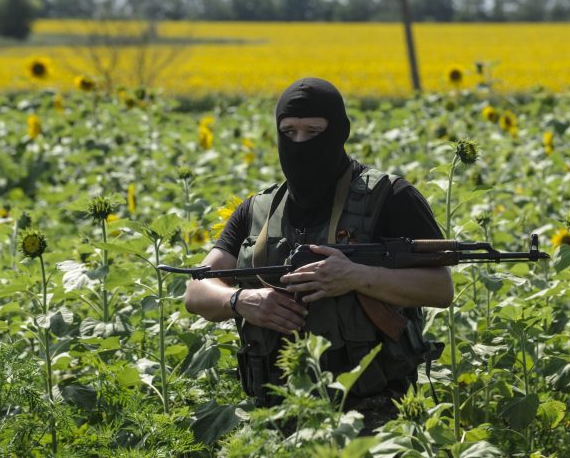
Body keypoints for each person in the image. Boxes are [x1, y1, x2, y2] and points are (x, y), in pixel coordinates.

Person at [184, 77, 453, 430]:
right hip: (276, 414)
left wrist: (357, 276)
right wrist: (243, 300)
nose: (300, 144)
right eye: (289, 131)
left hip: (373, 418)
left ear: (339, 132)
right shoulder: (258, 211)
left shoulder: (391, 198)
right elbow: (196, 290)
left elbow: (440, 289)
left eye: (313, 132)